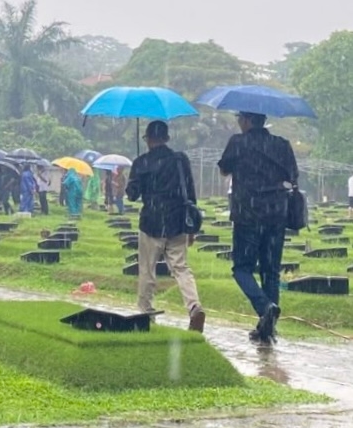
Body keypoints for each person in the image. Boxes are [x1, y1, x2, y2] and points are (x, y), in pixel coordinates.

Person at [218, 111, 299, 345]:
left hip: (248, 214)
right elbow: (293, 175)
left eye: (239, 118)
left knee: (242, 268)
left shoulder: (238, 142)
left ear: (247, 120)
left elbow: (224, 169)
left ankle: (265, 308)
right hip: (276, 213)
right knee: (270, 270)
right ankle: (267, 329)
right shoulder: (281, 144)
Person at [126, 120, 206, 333]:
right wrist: (192, 228)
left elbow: (132, 195)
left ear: (147, 139)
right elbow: (190, 193)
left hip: (151, 221)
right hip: (178, 221)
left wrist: (133, 178)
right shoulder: (180, 160)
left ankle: (145, 311)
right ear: (167, 138)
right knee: (180, 268)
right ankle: (194, 306)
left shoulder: (142, 162)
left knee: (147, 269)